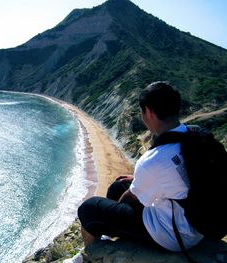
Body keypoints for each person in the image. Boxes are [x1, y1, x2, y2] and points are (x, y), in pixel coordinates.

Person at [77, 81, 204, 253]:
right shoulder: (196, 136)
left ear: (149, 112)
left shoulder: (154, 159)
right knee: (118, 185)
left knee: (88, 209)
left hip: (174, 236)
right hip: (197, 223)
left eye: (141, 112)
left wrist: (116, 212)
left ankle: (93, 254)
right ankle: (110, 233)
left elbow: (130, 197)